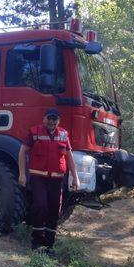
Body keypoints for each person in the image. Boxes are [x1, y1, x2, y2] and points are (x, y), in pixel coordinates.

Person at [18, 108, 80, 253]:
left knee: (54, 209)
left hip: (57, 180)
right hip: (38, 178)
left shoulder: (64, 134)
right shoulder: (34, 132)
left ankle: (48, 245)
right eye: (49, 118)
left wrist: (75, 177)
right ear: (44, 119)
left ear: (59, 121)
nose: (52, 121)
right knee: (40, 206)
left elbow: (69, 156)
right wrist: (22, 174)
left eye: (55, 119)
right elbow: (22, 151)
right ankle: (36, 243)